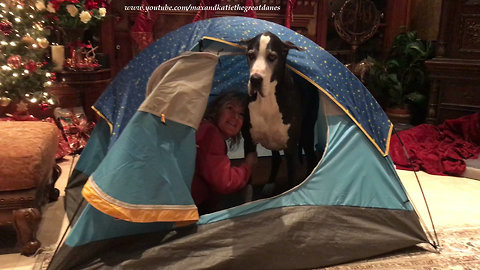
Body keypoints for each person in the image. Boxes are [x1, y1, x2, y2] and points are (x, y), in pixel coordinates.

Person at [191, 91, 257, 215]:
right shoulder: (210, 135)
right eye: (230, 108)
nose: (235, 117)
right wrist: (248, 166)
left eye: (241, 114)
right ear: (217, 110)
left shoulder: (204, 128)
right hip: (193, 209)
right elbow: (225, 182)